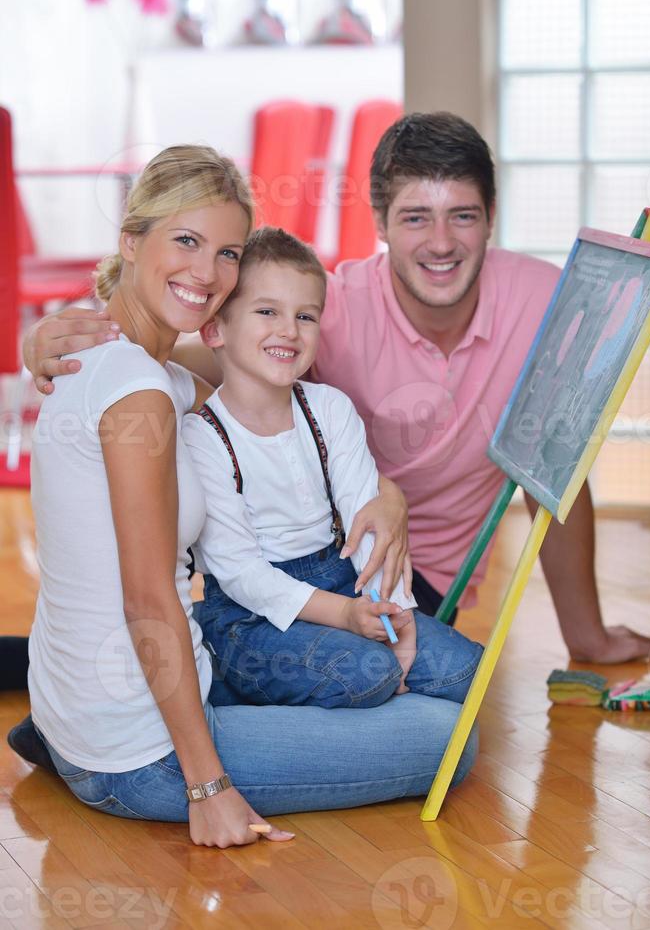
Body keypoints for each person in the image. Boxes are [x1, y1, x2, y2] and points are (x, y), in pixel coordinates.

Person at [26, 113, 650, 664]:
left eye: (462, 216)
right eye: (415, 218)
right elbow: (207, 357)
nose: (440, 243)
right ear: (379, 222)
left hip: (410, 577)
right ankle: (66, 703)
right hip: (292, 557)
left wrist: (586, 637)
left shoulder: (548, 302)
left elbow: (556, 473)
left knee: (420, 683)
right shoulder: (334, 307)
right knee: (214, 642)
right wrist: (70, 342)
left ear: (491, 218)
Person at [8, 144, 478, 849]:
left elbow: (259, 395)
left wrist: (387, 493)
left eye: (228, 253)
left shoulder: (133, 367)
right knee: (451, 741)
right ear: (131, 242)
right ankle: (169, 755)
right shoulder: (141, 391)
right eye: (187, 241)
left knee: (443, 679)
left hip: (87, 709)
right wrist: (209, 787)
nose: (207, 272)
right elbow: (147, 599)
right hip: (139, 753)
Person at [182, 225, 483, 708]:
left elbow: (367, 525)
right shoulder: (202, 437)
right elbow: (240, 573)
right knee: (367, 676)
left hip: (342, 582)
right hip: (251, 616)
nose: (289, 330)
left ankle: (372, 711)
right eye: (266, 312)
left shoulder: (331, 408)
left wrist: (396, 616)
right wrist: (346, 616)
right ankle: (223, 668)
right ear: (215, 328)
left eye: (306, 315)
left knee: (466, 671)